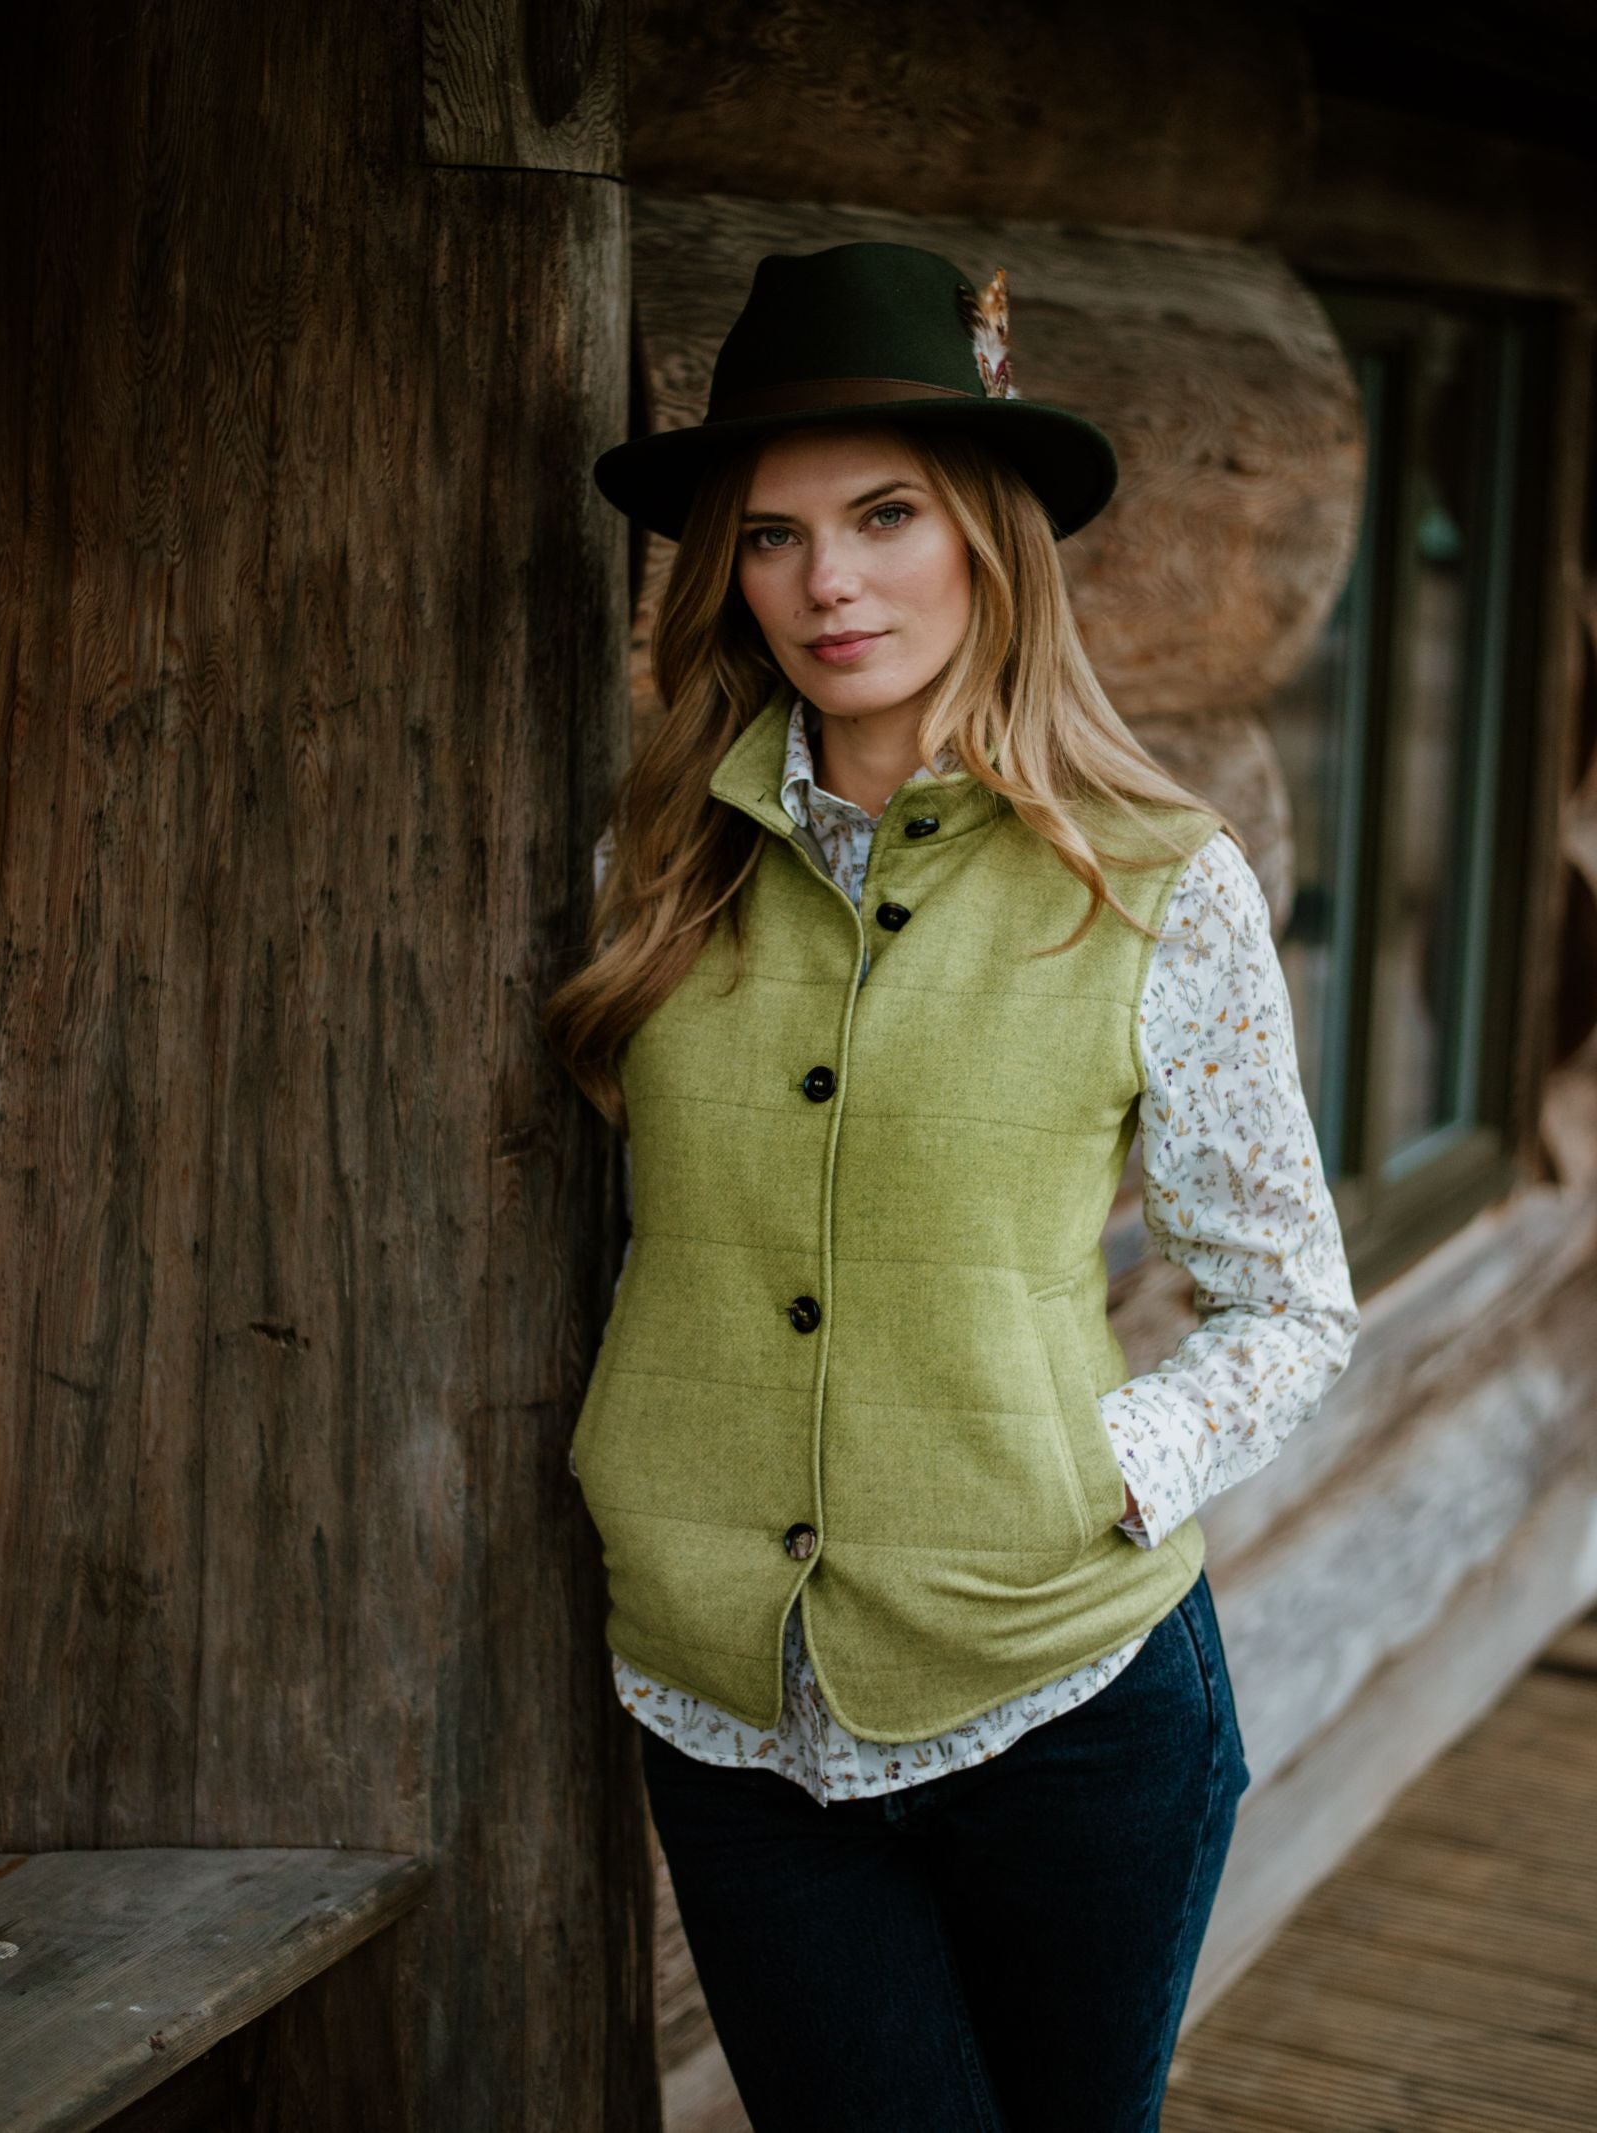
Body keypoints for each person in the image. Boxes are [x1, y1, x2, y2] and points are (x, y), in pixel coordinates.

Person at [543, 242, 1360, 2133]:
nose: (828, 582)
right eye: (771, 533)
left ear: (986, 532)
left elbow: (1293, 1299)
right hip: (725, 1704)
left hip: (1067, 1703)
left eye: (887, 514)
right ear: (725, 574)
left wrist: (1099, 1472)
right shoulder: (650, 870)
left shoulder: (1159, 885)